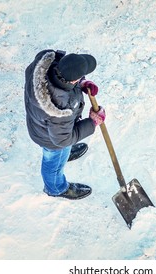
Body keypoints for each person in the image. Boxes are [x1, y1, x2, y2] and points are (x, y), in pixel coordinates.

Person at [24, 49, 106, 200]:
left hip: (43, 126)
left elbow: (63, 78)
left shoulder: (44, 65)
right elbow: (62, 139)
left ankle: (65, 153)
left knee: (63, 147)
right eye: (80, 77)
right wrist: (93, 122)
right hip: (52, 139)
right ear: (71, 81)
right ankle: (55, 188)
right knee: (54, 162)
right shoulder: (60, 108)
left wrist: (82, 83)